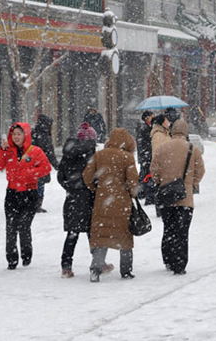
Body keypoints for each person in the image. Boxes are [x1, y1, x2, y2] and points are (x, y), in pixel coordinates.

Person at [0, 122, 52, 269]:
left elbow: (46, 168)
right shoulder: (8, 151)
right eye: (14, 134)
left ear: (25, 135)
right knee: (11, 227)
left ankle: (26, 255)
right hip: (12, 194)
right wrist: (2, 150)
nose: (16, 137)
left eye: (19, 134)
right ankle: (11, 259)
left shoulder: (35, 151)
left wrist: (28, 174)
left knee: (24, 226)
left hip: (30, 193)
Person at [83, 128, 139, 282]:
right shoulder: (127, 158)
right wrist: (131, 193)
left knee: (102, 236)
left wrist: (96, 188)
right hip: (122, 203)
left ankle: (95, 269)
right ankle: (126, 271)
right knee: (125, 237)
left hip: (102, 201)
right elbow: (133, 182)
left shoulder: (99, 155)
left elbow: (87, 176)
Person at [151, 119, 205, 275]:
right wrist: (191, 184)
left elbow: (154, 170)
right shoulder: (192, 149)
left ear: (173, 131)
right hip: (185, 198)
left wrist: (161, 182)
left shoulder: (162, 148)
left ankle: (168, 259)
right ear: (186, 131)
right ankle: (179, 263)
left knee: (168, 229)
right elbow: (200, 171)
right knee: (182, 232)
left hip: (166, 197)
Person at [57, 123, 98, 278]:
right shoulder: (91, 155)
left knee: (72, 233)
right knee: (91, 232)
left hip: (72, 199)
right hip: (88, 199)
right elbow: (95, 177)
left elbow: (60, 177)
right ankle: (98, 261)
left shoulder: (68, 154)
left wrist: (71, 188)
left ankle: (66, 266)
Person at [33, 113, 57, 213]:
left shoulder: (33, 133)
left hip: (30, 164)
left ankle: (29, 203)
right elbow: (49, 152)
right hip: (41, 165)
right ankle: (37, 204)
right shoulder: (44, 136)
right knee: (40, 184)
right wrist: (56, 165)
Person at [135, 111, 155, 205]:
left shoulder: (145, 127)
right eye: (152, 116)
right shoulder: (145, 128)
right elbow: (145, 143)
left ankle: (141, 193)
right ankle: (143, 193)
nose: (153, 118)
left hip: (144, 156)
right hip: (146, 156)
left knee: (144, 174)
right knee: (146, 175)